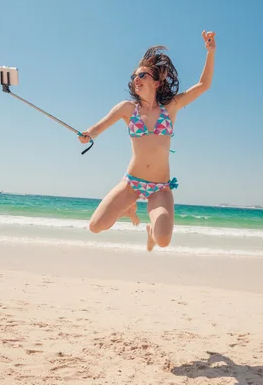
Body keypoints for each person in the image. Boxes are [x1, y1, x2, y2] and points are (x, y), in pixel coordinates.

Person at [78, 30, 216, 251]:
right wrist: (88, 134)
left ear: (157, 83)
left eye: (142, 76)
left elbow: (203, 85)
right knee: (95, 226)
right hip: (131, 182)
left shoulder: (170, 107)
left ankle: (150, 231)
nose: (136, 80)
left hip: (160, 187)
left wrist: (210, 52)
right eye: (134, 77)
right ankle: (128, 207)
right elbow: (98, 127)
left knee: (163, 241)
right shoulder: (127, 108)